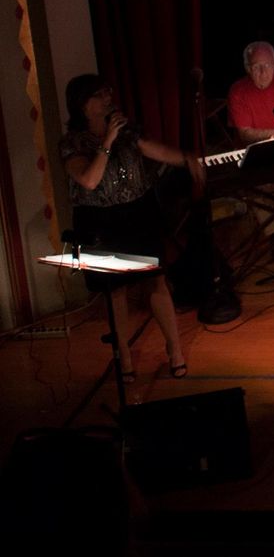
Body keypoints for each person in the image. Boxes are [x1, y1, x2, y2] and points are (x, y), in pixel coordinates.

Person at [59, 74, 202, 381]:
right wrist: (107, 141)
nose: (108, 100)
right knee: (116, 291)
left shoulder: (126, 131)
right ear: (83, 105)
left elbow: (155, 150)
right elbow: (89, 179)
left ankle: (174, 350)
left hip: (138, 212)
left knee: (156, 281)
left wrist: (189, 160)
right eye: (100, 95)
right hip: (100, 221)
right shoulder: (72, 143)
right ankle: (124, 356)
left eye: (108, 93)